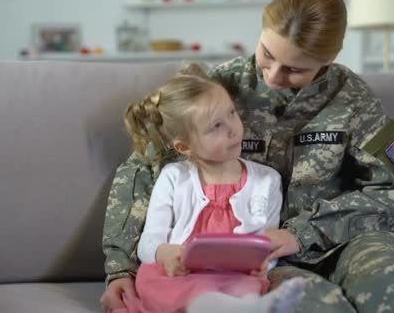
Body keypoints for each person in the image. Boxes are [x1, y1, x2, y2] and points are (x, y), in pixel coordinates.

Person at [101, 0, 394, 313]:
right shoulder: (219, 88)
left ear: (331, 57)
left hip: (346, 242)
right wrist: (120, 268)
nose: (274, 77)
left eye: (295, 69)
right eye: (267, 54)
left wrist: (304, 232)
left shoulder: (353, 99)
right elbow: (144, 169)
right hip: (254, 266)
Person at [106, 64, 306, 313]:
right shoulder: (173, 178)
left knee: (245, 287)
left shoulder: (267, 181)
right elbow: (149, 241)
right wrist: (165, 253)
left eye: (232, 113)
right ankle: (241, 308)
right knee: (174, 287)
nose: (233, 129)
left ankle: (250, 306)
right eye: (216, 127)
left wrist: (265, 262)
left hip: (235, 275)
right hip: (177, 274)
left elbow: (268, 242)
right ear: (184, 147)